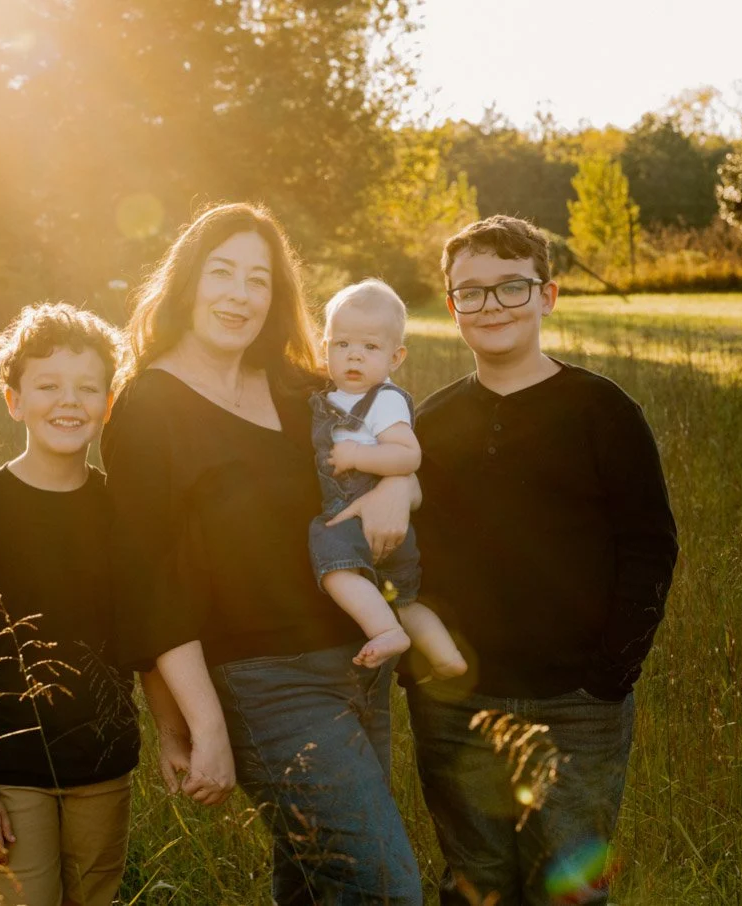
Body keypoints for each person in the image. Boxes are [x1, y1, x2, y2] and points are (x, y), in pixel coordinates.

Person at [104, 202, 420, 904]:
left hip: (359, 664)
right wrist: (202, 724)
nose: (239, 295)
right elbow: (149, 587)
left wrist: (400, 486)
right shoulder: (148, 408)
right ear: (187, 281)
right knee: (383, 889)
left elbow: (387, 440)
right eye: (222, 273)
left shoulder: (298, 385)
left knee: (317, 882)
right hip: (264, 681)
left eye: (259, 279)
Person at [409, 214, 678, 905]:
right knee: (477, 883)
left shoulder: (602, 410)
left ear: (547, 295)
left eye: (510, 287)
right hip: (457, 703)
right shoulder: (426, 426)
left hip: (578, 701)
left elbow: (649, 544)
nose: (491, 305)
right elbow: (403, 557)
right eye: (472, 292)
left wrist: (611, 674)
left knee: (569, 888)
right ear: (451, 306)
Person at [0, 303, 141, 906]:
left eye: (87, 387)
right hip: (9, 775)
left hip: (104, 766)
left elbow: (150, 634)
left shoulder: (122, 510)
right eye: (48, 386)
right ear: (14, 400)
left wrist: (173, 732)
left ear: (107, 405)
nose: (68, 401)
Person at [309, 279, 465, 678]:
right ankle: (446, 657)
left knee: (333, 563)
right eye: (341, 345)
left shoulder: (385, 400)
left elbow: (408, 455)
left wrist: (358, 455)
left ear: (396, 358)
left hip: (361, 518)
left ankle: (384, 631)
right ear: (324, 346)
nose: (354, 357)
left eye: (370, 347)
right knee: (405, 598)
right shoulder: (329, 396)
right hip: (387, 527)